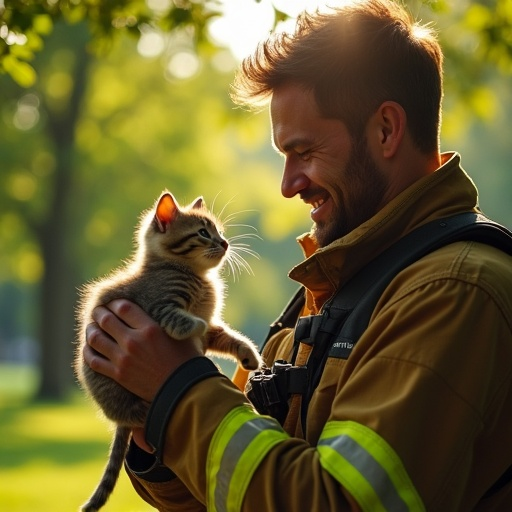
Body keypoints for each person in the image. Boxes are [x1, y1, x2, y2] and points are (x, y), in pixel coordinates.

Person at [83, 0, 512, 510]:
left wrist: (178, 390)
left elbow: (337, 503)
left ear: (386, 130)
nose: (288, 186)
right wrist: (154, 422)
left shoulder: (453, 292)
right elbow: (236, 487)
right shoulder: (337, 284)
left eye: (303, 152)